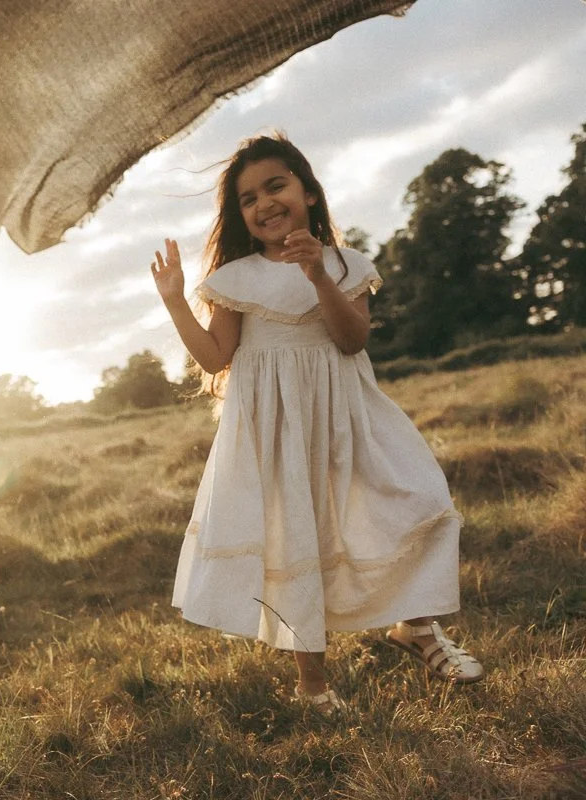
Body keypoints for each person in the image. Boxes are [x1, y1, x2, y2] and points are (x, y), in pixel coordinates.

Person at [150, 132, 484, 715]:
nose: (264, 203)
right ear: (241, 215)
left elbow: (352, 340)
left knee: (417, 499)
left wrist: (318, 275)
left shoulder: (344, 264)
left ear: (307, 192)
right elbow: (215, 357)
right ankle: (312, 684)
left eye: (275, 186)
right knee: (296, 540)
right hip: (276, 431)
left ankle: (417, 627)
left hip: (347, 417)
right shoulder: (235, 278)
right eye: (249, 198)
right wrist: (176, 300)